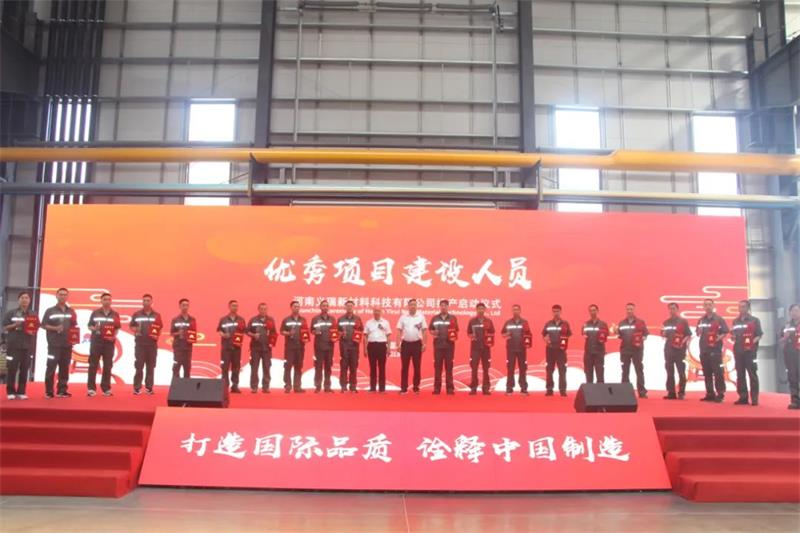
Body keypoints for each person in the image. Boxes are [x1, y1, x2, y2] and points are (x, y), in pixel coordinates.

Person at [40, 287, 79, 398]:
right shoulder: (50, 311)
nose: (62, 296)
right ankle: (49, 391)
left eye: (65, 294)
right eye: (60, 294)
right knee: (51, 367)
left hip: (67, 345)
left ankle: (62, 390)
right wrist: (55, 328)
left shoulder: (71, 311)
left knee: (65, 368)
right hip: (54, 344)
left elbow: (74, 326)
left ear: (67, 296)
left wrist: (74, 338)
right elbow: (43, 325)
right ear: (56, 296)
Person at [2, 291, 37, 400]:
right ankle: (10, 392)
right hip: (13, 345)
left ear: (29, 300)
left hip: (27, 346)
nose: (24, 300)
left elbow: (36, 327)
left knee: (24, 369)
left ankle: (21, 392)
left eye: (26, 298)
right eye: (22, 298)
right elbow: (5, 327)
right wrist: (14, 325)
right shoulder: (11, 313)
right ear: (19, 300)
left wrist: (33, 331)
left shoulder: (33, 314)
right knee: (12, 369)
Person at [86, 292, 121, 397]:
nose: (107, 301)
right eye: (105, 299)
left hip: (109, 344)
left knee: (108, 366)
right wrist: (94, 329)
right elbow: (89, 326)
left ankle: (106, 388)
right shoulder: (95, 313)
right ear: (101, 301)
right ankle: (91, 388)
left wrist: (114, 336)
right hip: (96, 342)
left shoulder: (115, 314)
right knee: (93, 365)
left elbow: (117, 328)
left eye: (109, 299)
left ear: (111, 301)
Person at [696, 298, 730, 402]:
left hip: (715, 350)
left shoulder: (719, 319)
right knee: (707, 373)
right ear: (703, 307)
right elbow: (698, 333)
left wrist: (718, 338)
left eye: (709, 304)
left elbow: (725, 331)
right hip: (704, 349)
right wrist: (699, 331)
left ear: (713, 306)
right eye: (705, 305)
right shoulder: (701, 320)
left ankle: (720, 393)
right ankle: (710, 393)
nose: (707, 306)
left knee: (718, 372)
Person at [730, 299, 763, 406]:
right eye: (739, 306)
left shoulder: (754, 320)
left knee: (752, 374)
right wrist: (733, 336)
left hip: (750, 352)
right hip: (738, 351)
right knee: (740, 375)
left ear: (748, 308)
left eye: (743, 306)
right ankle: (743, 397)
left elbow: (759, 335)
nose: (741, 308)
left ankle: (754, 398)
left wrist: (752, 343)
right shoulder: (735, 321)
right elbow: (734, 335)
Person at [130, 294, 163, 395]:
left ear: (151, 302)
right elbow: (131, 326)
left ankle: (149, 388)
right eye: (144, 300)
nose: (146, 302)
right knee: (139, 366)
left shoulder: (157, 315)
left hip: (152, 345)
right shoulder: (137, 314)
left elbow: (160, 328)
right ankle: (137, 388)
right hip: (140, 344)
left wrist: (157, 336)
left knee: (150, 367)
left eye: (148, 300)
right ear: (142, 302)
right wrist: (136, 330)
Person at [617, 303, 650, 399]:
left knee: (639, 370)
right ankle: (624, 391)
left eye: (631, 309)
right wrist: (615, 331)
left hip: (637, 350)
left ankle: (642, 392)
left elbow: (645, 334)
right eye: (628, 309)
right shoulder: (622, 323)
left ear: (634, 310)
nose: (629, 311)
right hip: (625, 349)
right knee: (625, 370)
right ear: (626, 310)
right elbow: (620, 336)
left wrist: (642, 339)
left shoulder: (640, 322)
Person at [660, 302, 691, 400]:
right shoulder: (666, 322)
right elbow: (663, 334)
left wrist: (682, 342)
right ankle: (671, 392)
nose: (672, 310)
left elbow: (688, 335)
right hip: (669, 350)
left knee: (681, 371)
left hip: (680, 350)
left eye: (673, 308)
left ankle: (681, 392)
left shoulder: (683, 322)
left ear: (677, 309)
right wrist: (663, 333)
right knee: (669, 371)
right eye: (670, 308)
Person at [396, 299, 427, 394]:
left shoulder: (420, 317)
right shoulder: (403, 317)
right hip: (405, 344)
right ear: (408, 306)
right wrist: (398, 344)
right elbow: (399, 330)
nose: (412, 306)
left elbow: (424, 331)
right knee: (404, 367)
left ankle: (416, 387)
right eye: (411, 305)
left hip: (417, 344)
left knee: (417, 366)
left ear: (416, 306)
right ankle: (404, 388)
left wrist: (424, 343)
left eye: (414, 305)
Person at [428, 299, 459, 395]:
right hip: (438, 346)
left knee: (449, 367)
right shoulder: (435, 318)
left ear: (448, 307)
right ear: (440, 307)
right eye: (442, 305)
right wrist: (433, 332)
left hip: (449, 346)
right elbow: (430, 329)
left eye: (445, 305)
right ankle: (437, 388)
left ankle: (450, 388)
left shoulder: (453, 318)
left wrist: (453, 336)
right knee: (438, 367)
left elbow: (456, 330)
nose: (443, 307)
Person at [541, 304, 571, 397]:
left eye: (557, 311)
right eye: (554, 311)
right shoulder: (548, 324)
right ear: (552, 312)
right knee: (549, 370)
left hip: (561, 350)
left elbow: (568, 334)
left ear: (560, 312)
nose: (556, 313)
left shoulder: (565, 324)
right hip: (550, 350)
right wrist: (546, 339)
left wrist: (563, 342)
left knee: (562, 370)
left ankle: (562, 390)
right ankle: (549, 389)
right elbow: (544, 334)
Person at [216, 300, 246, 393]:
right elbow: (219, 330)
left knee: (236, 367)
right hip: (226, 347)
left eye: (236, 306)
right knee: (225, 367)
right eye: (233, 306)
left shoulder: (241, 319)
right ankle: (225, 386)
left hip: (237, 348)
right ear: (229, 307)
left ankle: (235, 385)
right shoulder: (223, 319)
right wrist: (223, 335)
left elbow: (244, 331)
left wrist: (240, 339)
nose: (235, 307)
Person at [501, 304, 531, 396]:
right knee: (510, 369)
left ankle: (523, 389)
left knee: (523, 369)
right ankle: (509, 389)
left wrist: (527, 342)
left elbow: (529, 335)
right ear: (512, 311)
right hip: (511, 349)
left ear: (520, 311)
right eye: (514, 309)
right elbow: (503, 334)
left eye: (517, 309)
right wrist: (506, 334)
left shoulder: (524, 322)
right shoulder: (508, 322)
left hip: (522, 349)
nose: (515, 311)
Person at [247, 303, 277, 393]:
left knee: (267, 367)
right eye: (261, 309)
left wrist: (272, 343)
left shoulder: (271, 320)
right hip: (255, 348)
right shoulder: (253, 320)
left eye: (265, 309)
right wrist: (253, 335)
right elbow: (247, 331)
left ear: (267, 310)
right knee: (254, 368)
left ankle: (266, 387)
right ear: (258, 309)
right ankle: (254, 387)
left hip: (267, 348)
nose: (263, 310)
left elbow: (274, 333)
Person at [280, 300, 309, 393]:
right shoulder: (286, 320)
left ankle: (297, 386)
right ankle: (288, 386)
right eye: (295, 306)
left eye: (298, 306)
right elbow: (281, 331)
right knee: (288, 366)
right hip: (289, 347)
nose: (297, 308)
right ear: (291, 308)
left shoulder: (303, 320)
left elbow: (306, 332)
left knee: (298, 366)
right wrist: (289, 333)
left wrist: (306, 338)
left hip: (300, 346)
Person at [466, 302, 494, 396]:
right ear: (476, 310)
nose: (481, 310)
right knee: (474, 368)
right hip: (475, 348)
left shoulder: (489, 321)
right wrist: (471, 336)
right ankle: (473, 388)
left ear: (484, 310)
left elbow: (492, 333)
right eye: (479, 308)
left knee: (486, 368)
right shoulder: (472, 321)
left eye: (482, 308)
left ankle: (485, 388)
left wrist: (489, 338)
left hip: (486, 348)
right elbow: (469, 333)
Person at [337, 300, 364, 393]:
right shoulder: (340, 319)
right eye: (348, 306)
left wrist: (357, 337)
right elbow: (336, 332)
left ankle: (353, 386)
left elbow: (361, 330)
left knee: (353, 366)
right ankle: (343, 386)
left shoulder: (357, 319)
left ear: (353, 307)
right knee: (344, 366)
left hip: (354, 346)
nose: (349, 307)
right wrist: (340, 333)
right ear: (345, 307)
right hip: (344, 345)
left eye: (351, 306)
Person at [310, 300, 336, 393]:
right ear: (320, 307)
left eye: (326, 306)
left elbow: (335, 331)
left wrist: (335, 337)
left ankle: (327, 387)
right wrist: (315, 332)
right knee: (318, 367)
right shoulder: (315, 319)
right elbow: (311, 330)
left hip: (330, 346)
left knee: (328, 367)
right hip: (319, 346)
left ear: (328, 307)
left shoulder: (332, 319)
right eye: (323, 306)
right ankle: (318, 386)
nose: (325, 307)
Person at [364, 307, 391, 393]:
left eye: (378, 311)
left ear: (381, 312)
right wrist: (365, 348)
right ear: (373, 312)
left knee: (382, 367)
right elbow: (365, 336)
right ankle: (372, 387)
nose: (377, 312)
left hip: (382, 345)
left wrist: (389, 348)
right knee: (372, 367)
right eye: (375, 311)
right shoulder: (368, 322)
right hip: (371, 346)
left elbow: (388, 335)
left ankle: (382, 388)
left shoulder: (385, 322)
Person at [582, 304, 609, 384]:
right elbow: (583, 334)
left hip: (599, 352)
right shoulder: (585, 324)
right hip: (588, 352)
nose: (592, 312)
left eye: (594, 310)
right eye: (590, 311)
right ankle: (589, 390)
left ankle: (601, 390)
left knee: (600, 372)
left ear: (597, 311)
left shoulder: (603, 324)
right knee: (588, 373)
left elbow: (606, 335)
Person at [170, 298, 196, 379]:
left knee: (187, 368)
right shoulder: (175, 319)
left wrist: (192, 338)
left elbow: (194, 333)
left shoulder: (192, 319)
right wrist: (178, 333)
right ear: (180, 306)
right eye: (183, 305)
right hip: (178, 347)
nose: (185, 307)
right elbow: (172, 333)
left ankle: (186, 385)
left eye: (187, 305)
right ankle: (176, 385)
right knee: (176, 367)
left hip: (188, 347)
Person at [781, 303, 800, 409]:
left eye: (796, 310)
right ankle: (795, 401)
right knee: (792, 377)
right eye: (792, 311)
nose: (794, 313)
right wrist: (784, 337)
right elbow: (780, 340)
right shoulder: (786, 326)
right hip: (790, 354)